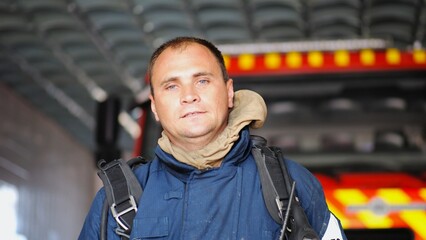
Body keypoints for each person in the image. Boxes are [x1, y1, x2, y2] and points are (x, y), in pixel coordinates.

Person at [79, 36, 347, 240]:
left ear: (229, 92)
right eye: (171, 86)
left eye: (202, 81)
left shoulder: (292, 185)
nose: (188, 96)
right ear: (154, 107)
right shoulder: (113, 204)